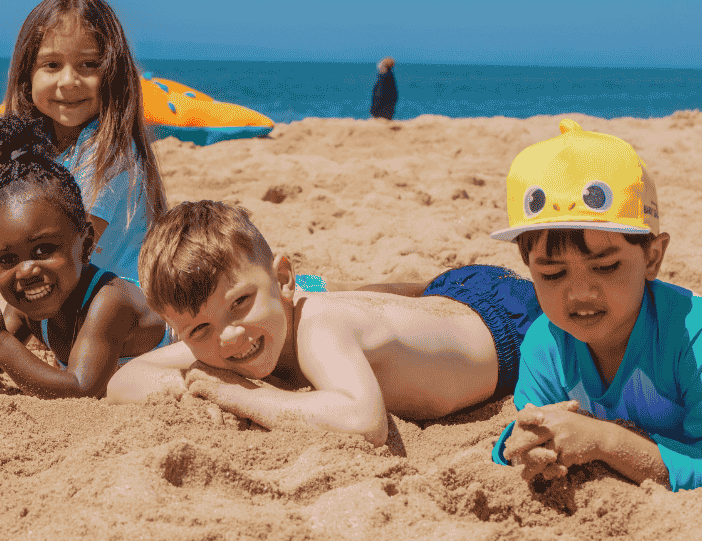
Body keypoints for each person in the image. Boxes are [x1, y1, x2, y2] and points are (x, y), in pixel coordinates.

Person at [107, 200, 542, 447]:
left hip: (508, 324)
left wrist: (226, 392)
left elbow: (363, 423)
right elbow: (125, 379)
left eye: (241, 301)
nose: (230, 335)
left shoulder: (318, 324)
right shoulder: (227, 338)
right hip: (445, 303)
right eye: (198, 330)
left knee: (344, 306)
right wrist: (195, 383)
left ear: (282, 279)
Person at [0, 0, 167, 371]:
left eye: (88, 65)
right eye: (51, 65)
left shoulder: (109, 152)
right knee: (3, 247)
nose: (69, 81)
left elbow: (72, 248)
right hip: (71, 304)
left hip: (124, 315)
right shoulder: (44, 148)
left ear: (113, 74)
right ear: (27, 75)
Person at [490, 119, 702, 491]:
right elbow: (518, 439)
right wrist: (523, 443)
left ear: (652, 257)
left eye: (605, 267)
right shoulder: (546, 345)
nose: (580, 294)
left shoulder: (691, 338)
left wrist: (608, 442)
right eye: (553, 274)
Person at [0, 115, 167, 398]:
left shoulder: (109, 302)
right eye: (6, 259)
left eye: (44, 250)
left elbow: (81, 390)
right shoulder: (26, 306)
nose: (27, 270)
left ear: (87, 244)